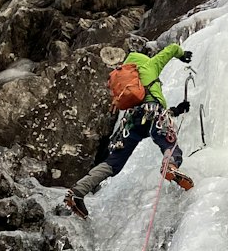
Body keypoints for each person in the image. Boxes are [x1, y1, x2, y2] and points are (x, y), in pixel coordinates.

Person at [65, 41, 194, 218]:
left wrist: (177, 110)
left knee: (114, 162)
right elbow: (171, 49)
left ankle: (78, 191)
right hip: (154, 113)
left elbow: (142, 107)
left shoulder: (126, 76)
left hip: (132, 121)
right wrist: (182, 54)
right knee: (169, 145)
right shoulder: (150, 65)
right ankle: (170, 166)